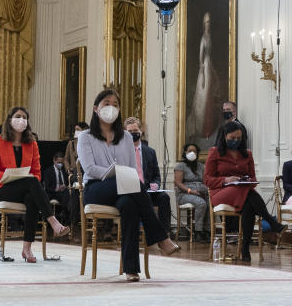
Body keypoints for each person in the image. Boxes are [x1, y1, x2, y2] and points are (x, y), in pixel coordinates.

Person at [78, 90, 179, 280]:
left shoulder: (125, 137)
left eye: (115, 104)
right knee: (136, 188)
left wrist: (121, 175)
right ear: (96, 109)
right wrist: (113, 172)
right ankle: (161, 238)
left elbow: (132, 169)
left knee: (130, 205)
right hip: (96, 188)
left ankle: (131, 269)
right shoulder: (86, 137)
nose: (111, 107)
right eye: (106, 103)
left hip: (124, 189)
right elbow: (90, 169)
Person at [0, 106, 69, 263]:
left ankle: (27, 247)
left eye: (25, 117)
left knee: (33, 196)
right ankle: (53, 222)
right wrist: (13, 176)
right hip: (2, 189)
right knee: (31, 183)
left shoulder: (32, 144)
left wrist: (25, 178)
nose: (22, 120)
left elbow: (37, 173)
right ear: (10, 120)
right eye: (18, 116)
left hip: (25, 189)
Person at [205, 120, 282, 263]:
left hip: (242, 192)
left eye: (238, 139)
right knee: (245, 193)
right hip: (220, 192)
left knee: (249, 206)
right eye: (232, 138)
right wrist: (226, 180)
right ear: (224, 136)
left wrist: (245, 180)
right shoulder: (215, 152)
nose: (235, 141)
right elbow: (207, 180)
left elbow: (253, 178)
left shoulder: (247, 154)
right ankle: (271, 221)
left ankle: (245, 249)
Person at [125, 117, 171, 239]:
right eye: (129, 132)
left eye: (135, 130)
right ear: (125, 133)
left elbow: (156, 174)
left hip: (148, 190)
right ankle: (149, 233)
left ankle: (165, 235)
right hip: (130, 190)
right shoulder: (121, 151)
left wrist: (156, 184)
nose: (133, 133)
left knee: (164, 198)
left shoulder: (150, 152)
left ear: (141, 131)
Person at [189, 13, 223, 139]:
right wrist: (203, 76)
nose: (208, 24)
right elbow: (201, 58)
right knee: (204, 97)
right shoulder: (203, 38)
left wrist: (213, 71)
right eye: (206, 22)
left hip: (209, 66)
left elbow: (210, 57)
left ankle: (208, 127)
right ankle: (202, 127)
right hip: (204, 68)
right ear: (204, 24)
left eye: (209, 22)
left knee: (209, 97)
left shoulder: (210, 37)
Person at [174, 142, 209, 242]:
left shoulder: (202, 166)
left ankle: (207, 231)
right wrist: (191, 191)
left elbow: (205, 181)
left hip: (201, 192)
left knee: (210, 202)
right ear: (185, 152)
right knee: (201, 203)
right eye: (190, 151)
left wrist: (205, 191)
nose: (192, 153)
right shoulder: (181, 166)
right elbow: (178, 183)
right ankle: (198, 232)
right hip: (184, 194)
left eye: (194, 151)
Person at [42, 152, 73, 224]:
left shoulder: (64, 171)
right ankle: (64, 213)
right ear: (54, 161)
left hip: (63, 193)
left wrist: (65, 186)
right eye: (59, 162)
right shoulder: (48, 171)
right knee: (66, 195)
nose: (60, 164)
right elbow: (47, 187)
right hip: (53, 193)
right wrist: (57, 189)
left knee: (69, 193)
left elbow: (67, 183)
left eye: (62, 163)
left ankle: (66, 214)